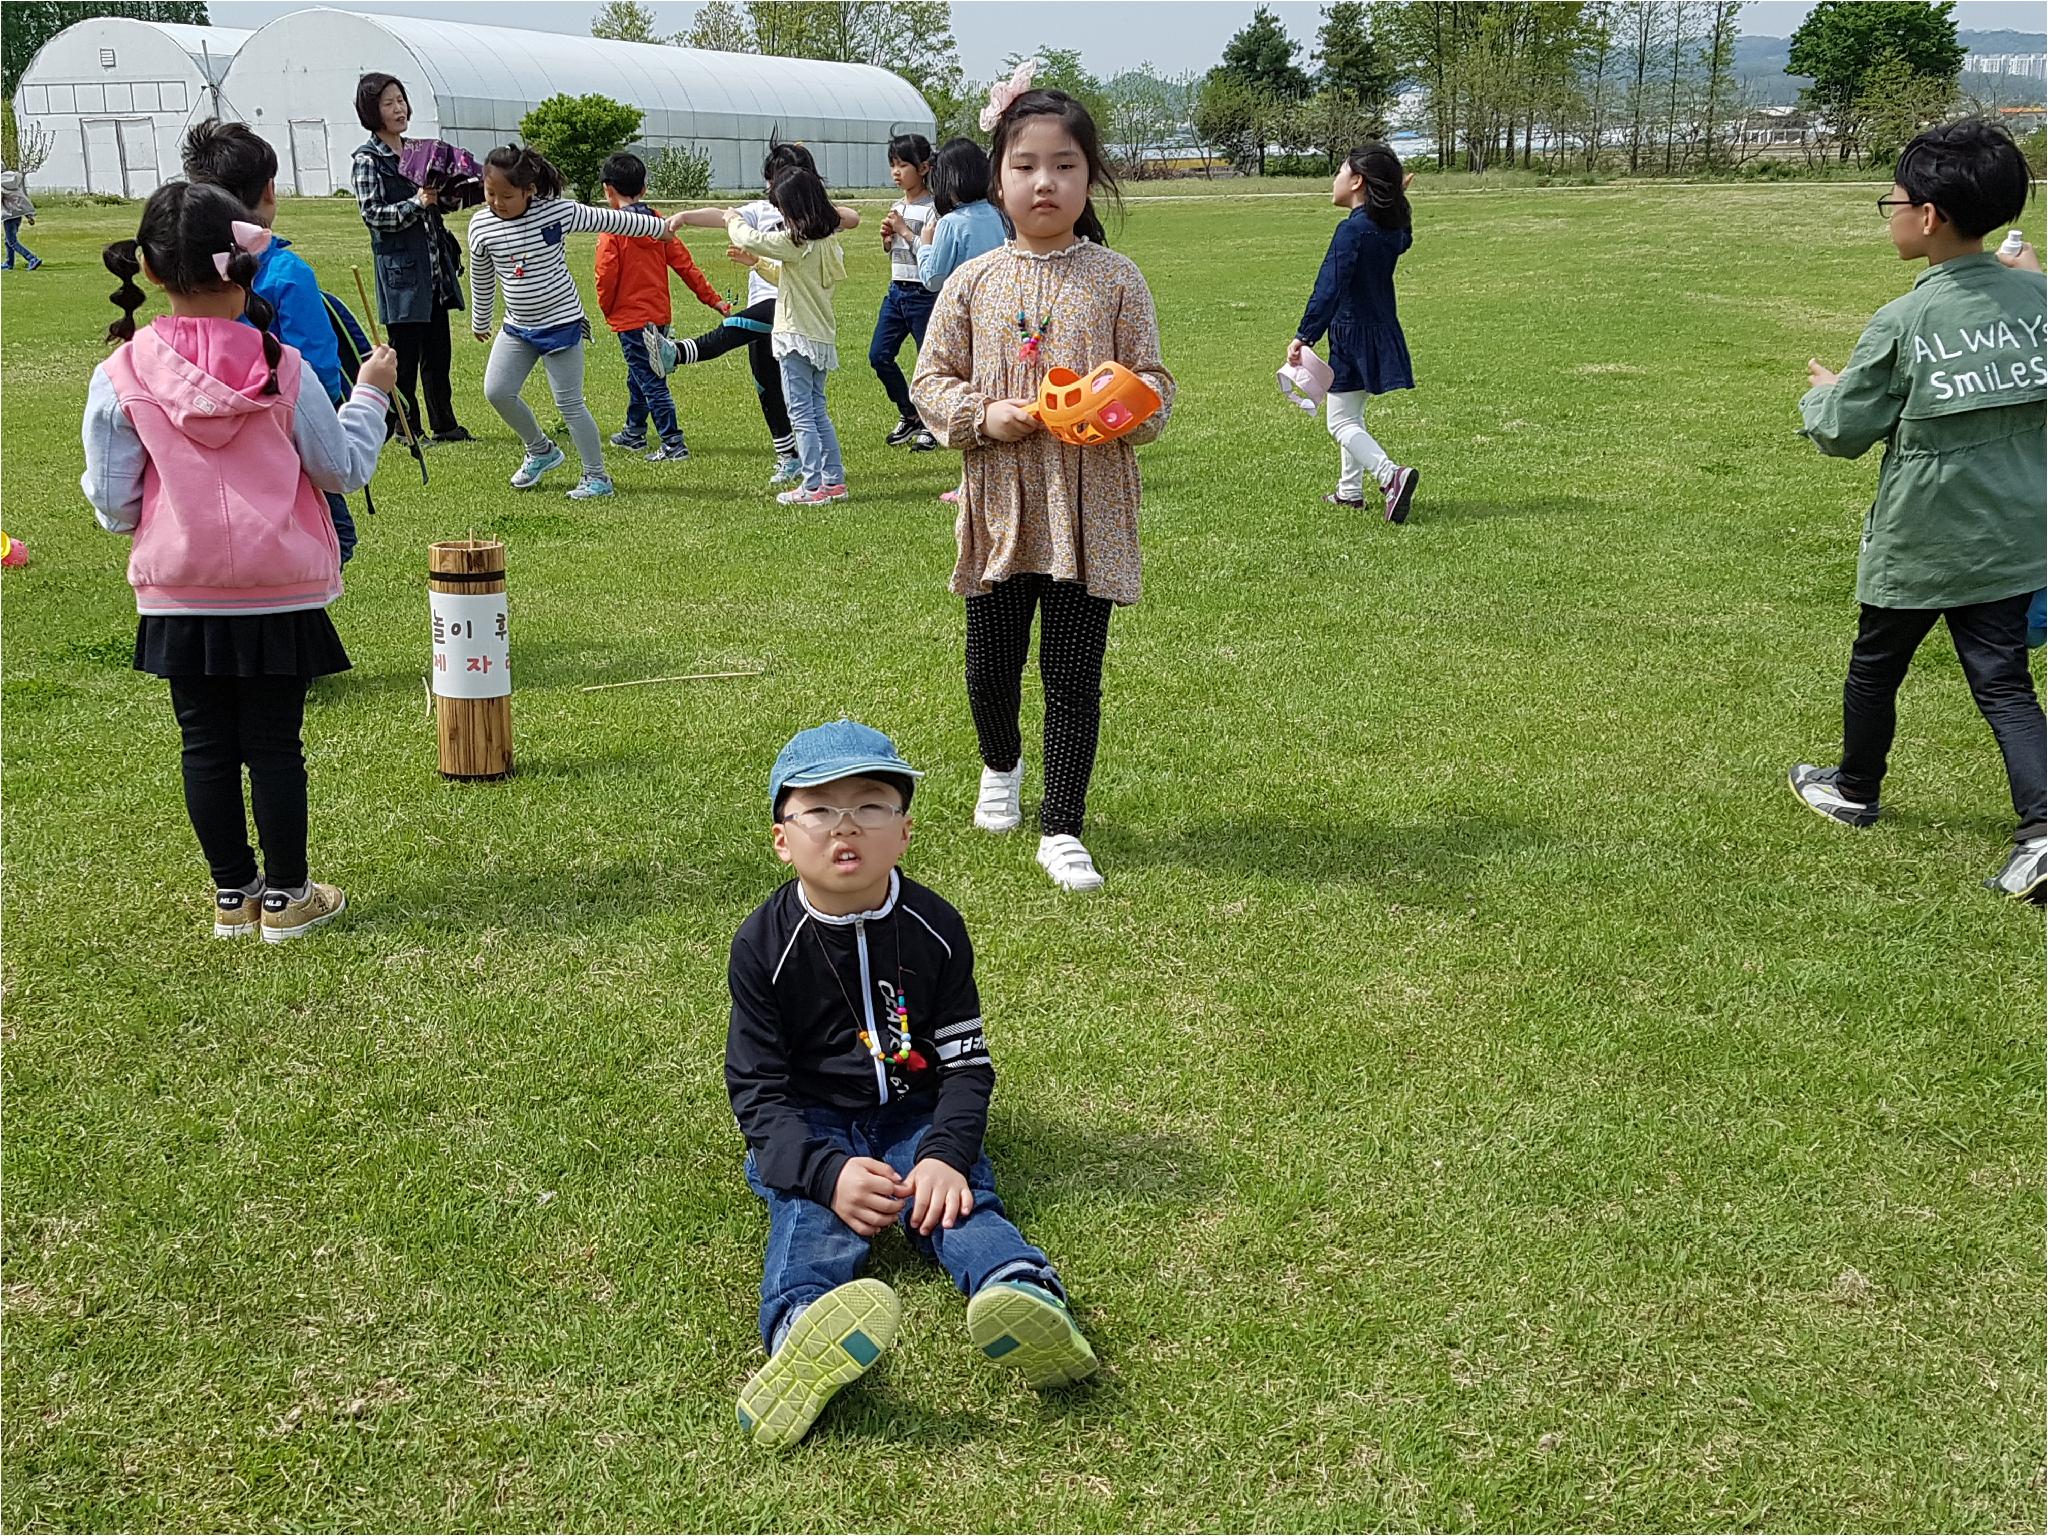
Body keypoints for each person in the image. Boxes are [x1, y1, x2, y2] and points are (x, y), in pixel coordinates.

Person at [726, 719, 1098, 1451]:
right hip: (813, 1124)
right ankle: (802, 1328)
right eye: (820, 810)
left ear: (904, 832)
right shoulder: (762, 945)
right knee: (811, 1224)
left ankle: (1019, 1292)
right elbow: (758, 1091)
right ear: (782, 838)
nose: (846, 827)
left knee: (960, 1208)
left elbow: (965, 1065)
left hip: (917, 1115)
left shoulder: (935, 927)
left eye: (870, 806)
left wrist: (945, 1156)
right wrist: (825, 1174)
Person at [80, 181, 396, 940]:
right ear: (245, 263)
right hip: (278, 586)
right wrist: (372, 395)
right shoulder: (281, 366)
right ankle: (288, 896)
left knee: (206, 745)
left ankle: (234, 896)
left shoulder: (121, 373)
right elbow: (341, 468)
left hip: (181, 590)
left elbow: (113, 500)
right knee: (275, 746)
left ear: (151, 272)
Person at [911, 76, 1175, 894]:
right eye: (1025, 166)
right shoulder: (973, 279)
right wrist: (982, 415)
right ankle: (1002, 765)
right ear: (999, 179)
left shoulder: (1117, 278)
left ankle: (1062, 824)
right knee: (989, 670)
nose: (1045, 182)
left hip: (1083, 509)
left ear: (1091, 177)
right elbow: (930, 378)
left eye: (1064, 165)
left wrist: (1128, 407)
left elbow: (1157, 384)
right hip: (999, 504)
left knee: (1071, 678)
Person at [1790, 119, 2046, 902]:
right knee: (2003, 683)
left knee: (1876, 666)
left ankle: (1854, 788)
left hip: (1923, 538)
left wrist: (1823, 392)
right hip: (2017, 533)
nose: (1891, 213)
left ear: (1927, 216)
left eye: (1891, 200)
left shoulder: (1906, 322)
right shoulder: (2037, 294)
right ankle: (2042, 828)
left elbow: (1841, 431)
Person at [181, 117, 360, 564]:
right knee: (333, 539)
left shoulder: (195, 272)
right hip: (286, 445)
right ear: (269, 190)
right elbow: (320, 377)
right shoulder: (288, 273)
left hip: (207, 451)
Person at [468, 144, 683, 500]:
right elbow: (482, 274)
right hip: (518, 327)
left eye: (507, 195)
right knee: (497, 391)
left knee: (569, 404)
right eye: (490, 194)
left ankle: (597, 478)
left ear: (529, 190)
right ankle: (541, 450)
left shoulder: (556, 213)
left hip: (561, 324)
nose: (497, 203)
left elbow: (614, 219)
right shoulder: (481, 226)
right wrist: (479, 319)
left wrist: (658, 228)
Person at [662, 141, 859, 487]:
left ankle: (814, 484)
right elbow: (788, 272)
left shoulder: (797, 237)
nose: (772, 196)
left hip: (791, 324)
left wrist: (733, 220)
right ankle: (822, 474)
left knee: (801, 410)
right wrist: (756, 263)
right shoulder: (823, 238)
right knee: (784, 393)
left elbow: (750, 238)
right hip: (813, 330)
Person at [1289, 142, 1419, 524]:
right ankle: (1350, 492)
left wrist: (1305, 335)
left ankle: (1389, 475)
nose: (1335, 180)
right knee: (1352, 415)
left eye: (1340, 172)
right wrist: (1400, 200)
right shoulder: (1390, 230)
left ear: (1357, 181)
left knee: (1340, 422)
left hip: (1350, 335)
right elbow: (1405, 235)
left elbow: (1329, 287)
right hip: (1381, 331)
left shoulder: (1351, 232)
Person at [350, 71, 471, 445]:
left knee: (439, 354)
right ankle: (407, 426)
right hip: (401, 273)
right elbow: (373, 214)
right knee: (404, 357)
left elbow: (436, 205)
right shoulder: (368, 160)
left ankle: (445, 424)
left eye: (400, 100)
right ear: (372, 111)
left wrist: (451, 194)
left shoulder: (420, 152)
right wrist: (416, 203)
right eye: (388, 103)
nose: (398, 108)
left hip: (433, 268)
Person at [594, 150, 729, 464]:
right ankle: (634, 430)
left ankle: (672, 442)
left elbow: (605, 274)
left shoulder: (613, 228)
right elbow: (685, 266)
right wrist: (713, 299)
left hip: (630, 320)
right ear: (643, 189)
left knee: (651, 380)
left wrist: (607, 309)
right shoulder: (660, 225)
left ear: (607, 190)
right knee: (639, 375)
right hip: (658, 316)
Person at [916, 137, 1010, 507]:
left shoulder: (952, 223)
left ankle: (969, 484)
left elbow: (934, 277)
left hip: (968, 319)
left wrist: (922, 243)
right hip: (1004, 315)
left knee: (971, 400)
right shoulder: (1000, 213)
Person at [872, 133, 939, 451]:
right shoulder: (897, 205)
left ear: (924, 167)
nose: (896, 172)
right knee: (878, 356)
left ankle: (932, 425)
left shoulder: (933, 209)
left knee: (928, 363)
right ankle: (909, 413)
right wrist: (888, 238)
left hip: (923, 294)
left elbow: (930, 254)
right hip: (896, 291)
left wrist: (902, 230)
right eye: (892, 165)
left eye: (903, 165)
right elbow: (895, 249)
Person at [2, 170, 41, 271]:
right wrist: (29, 215)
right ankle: (9, 263)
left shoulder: (1, 184)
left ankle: (32, 258)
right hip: (17, 215)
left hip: (9, 216)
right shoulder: (12, 182)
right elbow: (22, 199)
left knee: (12, 241)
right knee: (8, 240)